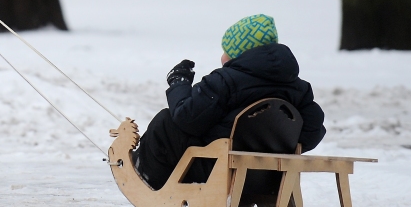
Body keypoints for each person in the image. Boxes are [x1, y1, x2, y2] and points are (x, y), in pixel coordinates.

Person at [133, 14, 326, 190]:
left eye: (226, 50)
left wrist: (179, 84)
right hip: (270, 179)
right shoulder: (299, 88)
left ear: (241, 53)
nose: (222, 56)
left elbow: (186, 118)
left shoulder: (225, 81)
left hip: (218, 172)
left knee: (165, 122)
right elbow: (312, 133)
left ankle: (150, 182)